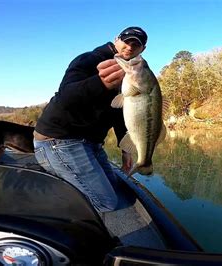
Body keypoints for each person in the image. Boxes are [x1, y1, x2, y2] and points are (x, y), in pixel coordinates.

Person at [33, 27, 148, 213]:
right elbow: (66, 96)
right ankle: (43, 216)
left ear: (142, 50)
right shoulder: (89, 59)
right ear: (116, 39)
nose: (130, 47)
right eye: (127, 41)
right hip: (60, 140)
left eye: (136, 44)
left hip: (91, 144)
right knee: (106, 202)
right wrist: (102, 83)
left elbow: (119, 112)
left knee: (117, 191)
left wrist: (125, 148)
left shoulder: (130, 72)